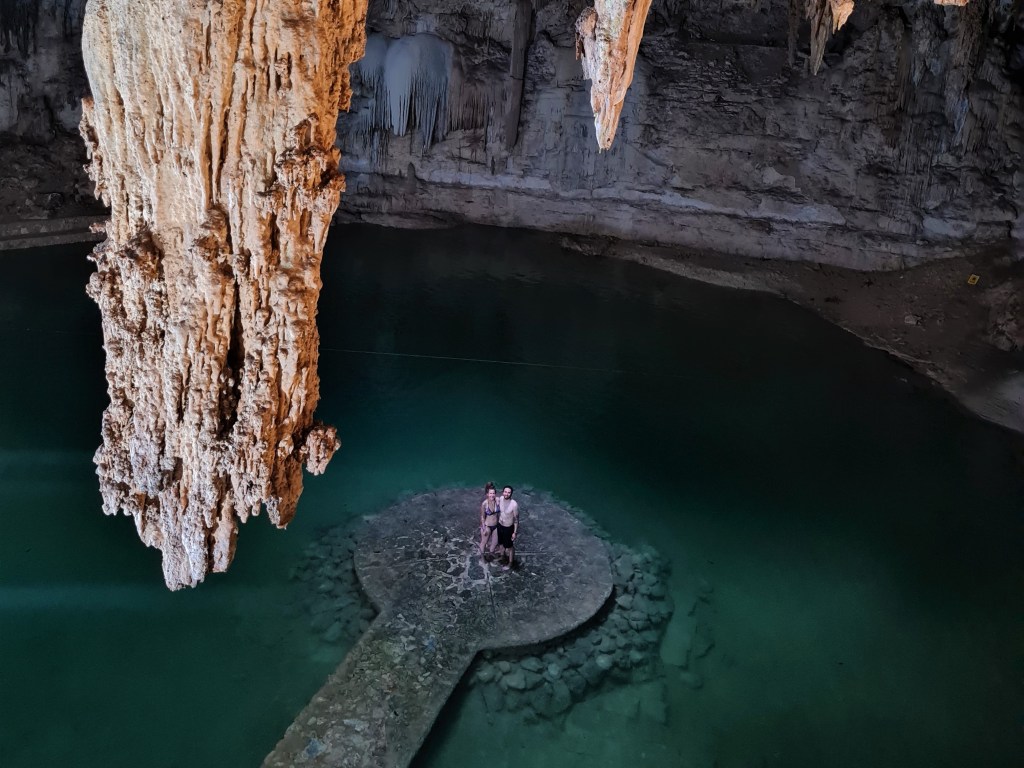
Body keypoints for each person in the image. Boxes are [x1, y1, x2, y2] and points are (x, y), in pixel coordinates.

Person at [495, 485, 519, 569]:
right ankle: (502, 556)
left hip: (508, 527)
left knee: (509, 547)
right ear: (503, 492)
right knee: (501, 543)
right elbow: (493, 497)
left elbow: (516, 519)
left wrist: (515, 532)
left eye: (509, 492)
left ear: (511, 494)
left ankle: (510, 562)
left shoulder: (514, 504)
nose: (507, 494)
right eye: (505, 492)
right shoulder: (501, 499)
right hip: (500, 525)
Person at [479, 482, 499, 556]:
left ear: (495, 494)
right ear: (487, 494)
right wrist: (484, 528)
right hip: (487, 526)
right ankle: (482, 557)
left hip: (496, 526)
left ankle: (491, 555)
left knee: (495, 543)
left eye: (493, 493)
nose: (492, 495)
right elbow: (482, 517)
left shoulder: (498, 500)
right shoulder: (484, 503)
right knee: (483, 542)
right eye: (490, 493)